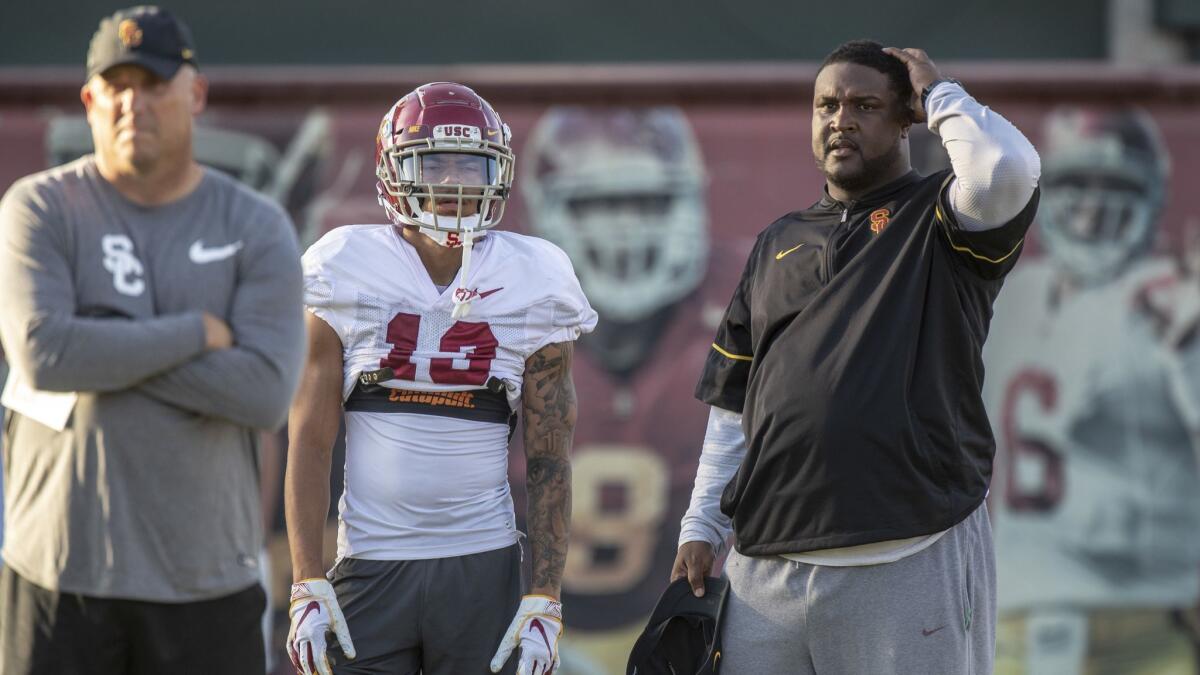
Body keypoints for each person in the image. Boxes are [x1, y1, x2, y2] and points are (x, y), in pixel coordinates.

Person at [671, 39, 1041, 674]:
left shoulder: (944, 219)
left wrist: (939, 92)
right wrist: (699, 526)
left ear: (906, 121)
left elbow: (1005, 168)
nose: (839, 119)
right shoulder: (775, 243)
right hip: (767, 568)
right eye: (826, 105)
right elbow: (732, 407)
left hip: (907, 554)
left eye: (864, 104)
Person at [0, 6, 304, 674]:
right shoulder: (38, 207)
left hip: (204, 584)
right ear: (90, 100)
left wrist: (100, 340)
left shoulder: (255, 225)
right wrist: (198, 332)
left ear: (194, 94)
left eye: (155, 82)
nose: (133, 102)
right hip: (56, 578)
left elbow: (263, 392)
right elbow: (44, 354)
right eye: (117, 85)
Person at [284, 82, 597, 675]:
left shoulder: (536, 276)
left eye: (470, 165)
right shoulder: (343, 264)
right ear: (392, 169)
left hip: (483, 565)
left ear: (497, 174)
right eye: (434, 162)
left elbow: (550, 457)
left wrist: (545, 596)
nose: (454, 182)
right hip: (370, 562)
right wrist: (305, 580)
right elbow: (310, 439)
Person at [519, 108, 751, 671]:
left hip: (711, 630)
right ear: (547, 210)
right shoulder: (504, 319)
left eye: (646, 202)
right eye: (595, 205)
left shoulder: (748, 300)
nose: (624, 227)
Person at [982, 107, 1200, 675]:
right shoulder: (1008, 298)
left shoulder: (1170, 296)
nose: (1095, 206)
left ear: (1153, 197)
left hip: (1142, 614)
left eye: (1117, 187)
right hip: (1022, 615)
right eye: (1077, 184)